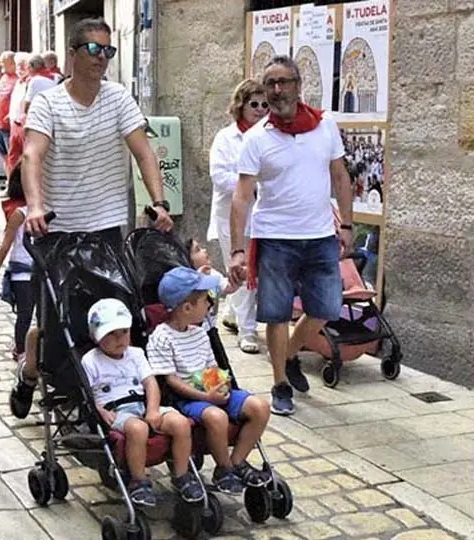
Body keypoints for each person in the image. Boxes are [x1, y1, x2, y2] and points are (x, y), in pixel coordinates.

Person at [10, 18, 174, 417]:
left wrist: (158, 200)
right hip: (58, 230)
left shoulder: (118, 99)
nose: (102, 58)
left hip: (105, 229)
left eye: (108, 50)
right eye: (94, 50)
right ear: (73, 54)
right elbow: (33, 154)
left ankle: (96, 398)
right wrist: (34, 206)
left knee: (112, 319)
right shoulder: (50, 102)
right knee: (54, 325)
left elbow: (143, 152)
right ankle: (29, 371)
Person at [228, 56, 353, 416]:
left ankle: (291, 353)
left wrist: (346, 224)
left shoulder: (325, 126)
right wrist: (238, 249)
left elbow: (340, 177)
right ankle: (280, 381)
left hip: (319, 236)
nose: (278, 90)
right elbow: (242, 195)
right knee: (276, 313)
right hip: (275, 237)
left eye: (284, 82)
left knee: (327, 307)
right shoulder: (256, 138)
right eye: (271, 84)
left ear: (299, 86)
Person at [147, 267, 272, 494]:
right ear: (187, 308)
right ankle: (223, 468)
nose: (210, 305)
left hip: (210, 387)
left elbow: (211, 367)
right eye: (206, 300)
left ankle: (237, 461)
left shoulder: (199, 333)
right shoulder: (161, 337)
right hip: (187, 398)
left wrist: (221, 385)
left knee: (260, 407)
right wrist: (207, 397)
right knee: (217, 417)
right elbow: (170, 380)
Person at [83, 298, 204, 505]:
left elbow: (151, 384)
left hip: (143, 404)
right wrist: (99, 410)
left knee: (181, 423)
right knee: (138, 429)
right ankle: (138, 481)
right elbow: (86, 394)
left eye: (124, 332)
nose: (120, 339)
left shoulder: (136, 354)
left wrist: (153, 410)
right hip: (118, 410)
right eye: (111, 334)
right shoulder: (91, 360)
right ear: (96, 336)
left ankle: (182, 475)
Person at [207, 79, 266, 354]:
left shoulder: (269, 136)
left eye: (265, 105)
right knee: (241, 272)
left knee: (254, 272)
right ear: (241, 105)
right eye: (254, 104)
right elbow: (219, 176)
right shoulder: (225, 137)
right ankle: (248, 331)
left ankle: (233, 314)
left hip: (262, 215)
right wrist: (249, 183)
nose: (260, 109)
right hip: (231, 212)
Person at [0, 169, 33, 360]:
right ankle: (21, 350)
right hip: (22, 272)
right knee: (25, 314)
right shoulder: (19, 214)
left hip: (41, 271)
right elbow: (5, 246)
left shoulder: (48, 210)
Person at [0, 51, 16, 183]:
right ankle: (8, 183)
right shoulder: (3, 78)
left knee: (12, 157)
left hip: (9, 125)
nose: (2, 65)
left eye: (4, 62)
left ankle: (14, 185)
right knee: (4, 156)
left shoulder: (17, 79)